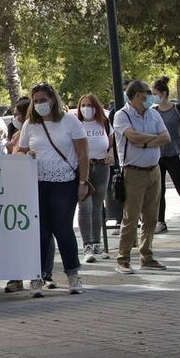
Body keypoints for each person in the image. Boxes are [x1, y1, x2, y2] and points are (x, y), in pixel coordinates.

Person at [15, 84, 89, 296]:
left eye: (43, 100)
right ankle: (37, 276)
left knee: (63, 228)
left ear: (53, 100)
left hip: (64, 182)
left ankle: (73, 274)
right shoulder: (30, 124)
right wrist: (25, 156)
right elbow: (21, 150)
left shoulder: (69, 121)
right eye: (36, 101)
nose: (39, 104)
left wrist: (83, 182)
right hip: (38, 182)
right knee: (41, 231)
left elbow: (83, 154)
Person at [112, 80, 171, 274]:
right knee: (131, 217)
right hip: (133, 172)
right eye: (148, 92)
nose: (152, 95)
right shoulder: (122, 115)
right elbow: (132, 137)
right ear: (138, 95)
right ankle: (123, 259)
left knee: (151, 217)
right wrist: (151, 139)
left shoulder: (153, 113)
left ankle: (147, 256)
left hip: (154, 170)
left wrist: (144, 142)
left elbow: (166, 137)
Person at [74, 93, 113, 262]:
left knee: (98, 206)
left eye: (89, 105)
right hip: (84, 168)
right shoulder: (77, 124)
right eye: (83, 105)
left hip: (102, 166)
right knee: (85, 206)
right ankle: (87, 245)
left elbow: (112, 141)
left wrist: (111, 152)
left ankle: (97, 243)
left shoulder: (104, 122)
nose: (86, 108)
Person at [151, 77, 180, 233]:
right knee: (159, 190)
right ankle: (160, 221)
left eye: (155, 93)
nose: (152, 97)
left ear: (163, 93)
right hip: (158, 156)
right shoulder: (153, 112)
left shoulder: (178, 109)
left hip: (175, 153)